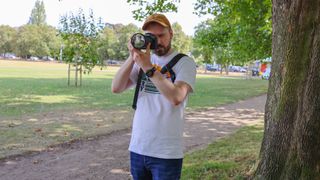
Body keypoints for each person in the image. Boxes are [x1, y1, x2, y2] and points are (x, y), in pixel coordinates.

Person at [111, 13, 196, 180]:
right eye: (152, 36)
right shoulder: (143, 60)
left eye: (161, 35)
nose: (157, 41)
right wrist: (132, 57)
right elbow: (116, 87)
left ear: (171, 33)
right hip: (138, 147)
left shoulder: (184, 62)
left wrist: (148, 67)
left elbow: (176, 97)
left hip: (166, 152)